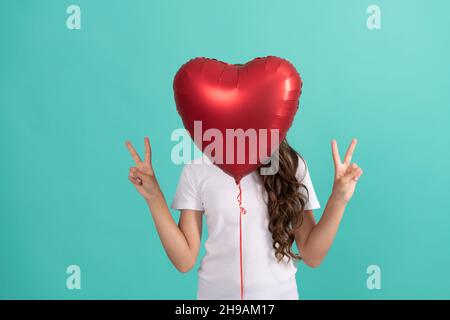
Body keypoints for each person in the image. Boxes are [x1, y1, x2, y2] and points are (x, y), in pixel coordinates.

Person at [125, 137, 363, 299]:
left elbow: (312, 254)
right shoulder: (198, 169)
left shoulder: (290, 165)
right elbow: (185, 259)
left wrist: (339, 198)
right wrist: (154, 196)